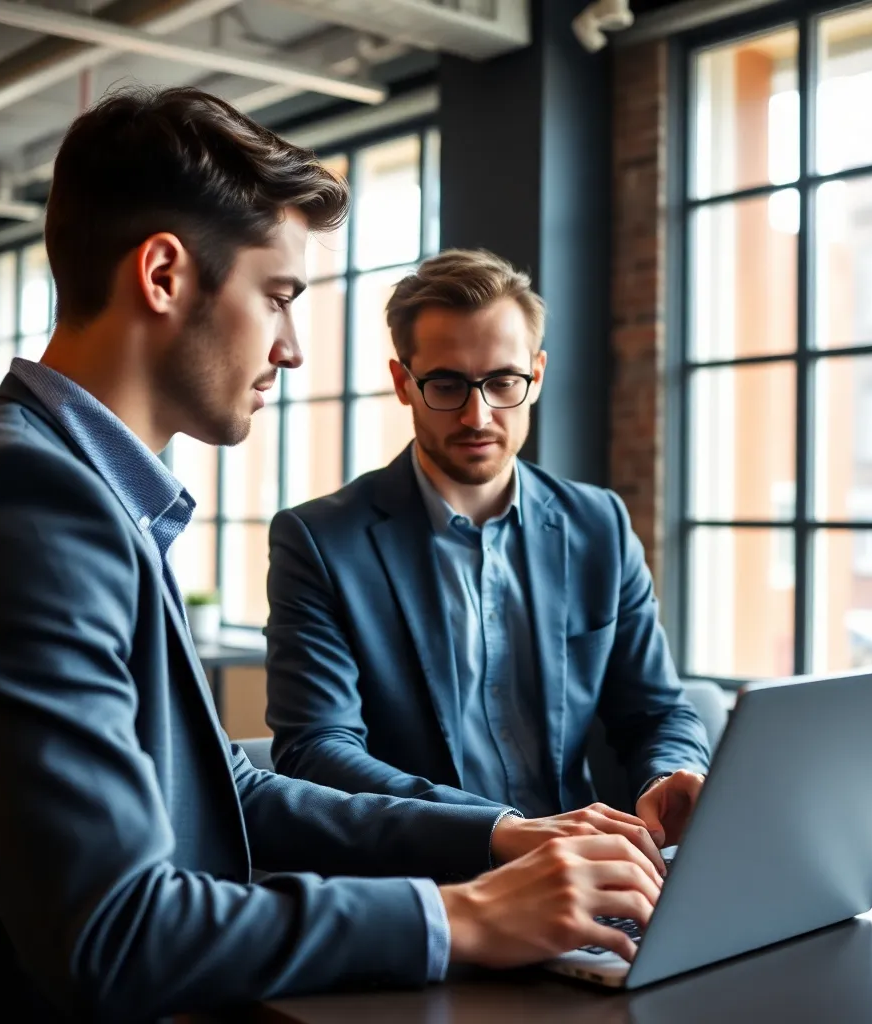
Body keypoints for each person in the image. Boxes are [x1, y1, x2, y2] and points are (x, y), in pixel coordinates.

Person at [0, 89, 666, 1022]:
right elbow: (113, 930)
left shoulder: (84, 491)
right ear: (164, 274)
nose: (292, 349)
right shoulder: (36, 499)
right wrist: (458, 917)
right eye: (278, 296)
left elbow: (228, 783)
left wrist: (500, 838)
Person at [265, 249, 711, 847]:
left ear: (537, 376)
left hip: (588, 876)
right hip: (429, 891)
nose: (478, 416)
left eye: (503, 381)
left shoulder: (598, 523)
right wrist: (498, 832)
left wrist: (669, 774)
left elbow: (657, 711)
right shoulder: (319, 543)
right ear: (404, 383)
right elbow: (317, 750)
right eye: (447, 384)